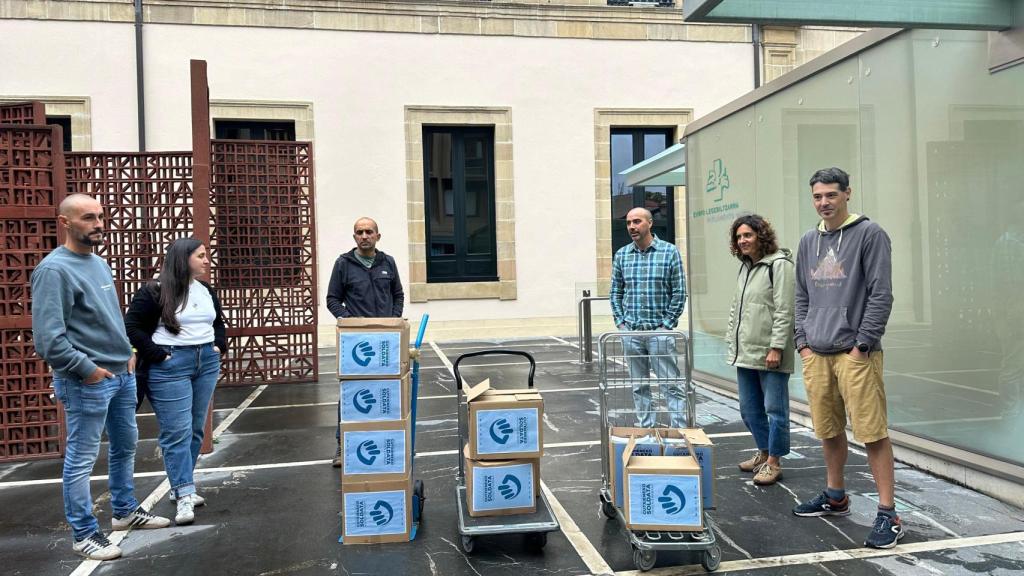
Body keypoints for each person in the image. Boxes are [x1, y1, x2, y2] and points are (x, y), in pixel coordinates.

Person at [31, 194, 170, 561]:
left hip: (121, 373)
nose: (98, 224)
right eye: (88, 218)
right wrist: (87, 369)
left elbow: (109, 318)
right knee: (81, 457)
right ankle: (84, 533)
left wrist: (128, 353)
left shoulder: (98, 263)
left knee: (126, 445)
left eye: (101, 216)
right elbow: (48, 339)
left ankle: (124, 511)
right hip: (86, 380)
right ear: (65, 223)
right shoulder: (54, 270)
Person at [792, 167, 901, 549]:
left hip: (856, 355)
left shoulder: (870, 234)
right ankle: (835, 495)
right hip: (816, 353)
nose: (824, 202)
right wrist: (801, 343)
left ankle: (888, 513)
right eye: (818, 196)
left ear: (847, 194)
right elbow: (801, 295)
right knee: (828, 429)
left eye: (831, 195)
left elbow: (880, 294)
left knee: (872, 432)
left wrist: (863, 346)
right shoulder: (808, 241)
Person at [125, 238, 226, 526]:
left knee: (196, 429)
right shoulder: (154, 291)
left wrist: (219, 345)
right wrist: (159, 355)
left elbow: (218, 321)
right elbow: (132, 326)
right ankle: (183, 493)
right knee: (177, 432)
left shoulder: (205, 289)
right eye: (201, 256)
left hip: (205, 361)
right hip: (171, 366)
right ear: (183, 259)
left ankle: (182, 484)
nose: (207, 261)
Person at [326, 217, 404, 466]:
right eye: (359, 232)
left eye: (369, 231)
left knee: (386, 391)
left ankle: (384, 441)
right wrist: (351, 322)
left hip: (386, 340)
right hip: (357, 343)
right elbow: (332, 300)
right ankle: (342, 446)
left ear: (378, 236)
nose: (364, 236)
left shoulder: (388, 262)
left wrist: (392, 322)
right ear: (354, 237)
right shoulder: (343, 264)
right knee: (351, 393)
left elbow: (398, 295)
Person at [725, 214, 794, 486]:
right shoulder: (746, 266)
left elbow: (785, 309)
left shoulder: (778, 265)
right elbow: (737, 310)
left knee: (775, 410)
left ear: (761, 236)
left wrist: (776, 347)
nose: (743, 241)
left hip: (770, 353)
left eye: (748, 235)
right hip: (746, 353)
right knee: (749, 410)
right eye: (739, 237)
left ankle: (774, 462)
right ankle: (763, 453)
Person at [609, 207, 687, 428]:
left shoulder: (669, 252)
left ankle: (680, 434)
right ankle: (646, 430)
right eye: (628, 223)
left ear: (650, 223)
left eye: (637, 221)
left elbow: (679, 291)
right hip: (632, 333)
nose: (632, 226)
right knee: (639, 386)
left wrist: (666, 325)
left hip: (659, 333)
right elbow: (615, 292)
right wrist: (621, 324)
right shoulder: (622, 255)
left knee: (670, 385)